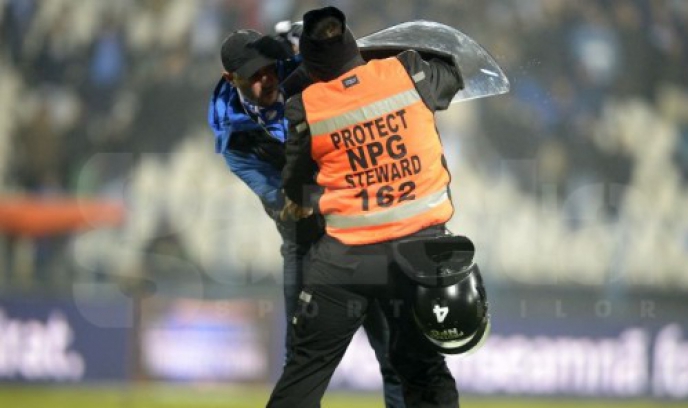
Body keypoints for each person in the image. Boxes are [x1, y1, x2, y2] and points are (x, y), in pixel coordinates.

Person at [267, 6, 490, 408]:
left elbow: (296, 186)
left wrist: (300, 205)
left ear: (312, 61)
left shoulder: (306, 106)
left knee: (306, 369)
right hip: (419, 255)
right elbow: (454, 73)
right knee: (422, 370)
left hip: (347, 261)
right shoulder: (405, 70)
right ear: (353, 46)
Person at [206, 28, 405, 407]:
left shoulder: (306, 73)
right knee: (300, 362)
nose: (267, 79)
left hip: (361, 231)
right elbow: (287, 206)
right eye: (254, 74)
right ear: (231, 80)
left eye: (269, 68)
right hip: (307, 242)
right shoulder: (234, 138)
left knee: (395, 354)